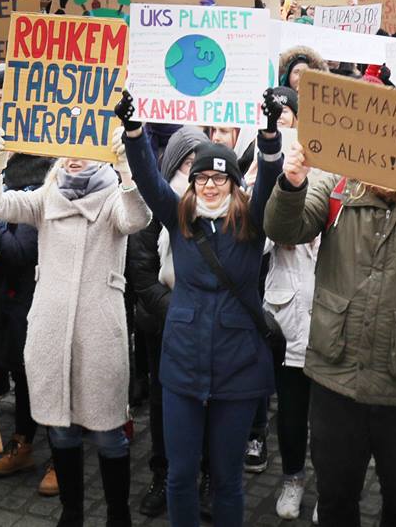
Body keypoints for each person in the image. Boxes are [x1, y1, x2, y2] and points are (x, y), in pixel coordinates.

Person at [264, 145, 396, 527]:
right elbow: (283, 229)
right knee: (335, 501)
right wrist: (291, 185)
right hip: (337, 380)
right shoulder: (337, 184)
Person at [125, 93, 286, 527]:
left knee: (228, 477)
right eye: (202, 178)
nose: (210, 185)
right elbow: (146, 178)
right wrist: (135, 130)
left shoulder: (249, 221)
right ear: (192, 182)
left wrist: (270, 134)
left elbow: (270, 175)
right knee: (179, 475)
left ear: (233, 182)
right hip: (182, 365)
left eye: (219, 178)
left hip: (237, 366)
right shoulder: (179, 216)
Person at [0, 127, 152, 527]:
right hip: (52, 328)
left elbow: (137, 218)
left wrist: (128, 170)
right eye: (69, 150)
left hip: (98, 331)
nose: (76, 157)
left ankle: (117, 515)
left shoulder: (112, 196)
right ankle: (71, 513)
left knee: (109, 433)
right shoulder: (47, 192)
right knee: (60, 429)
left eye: (85, 150)